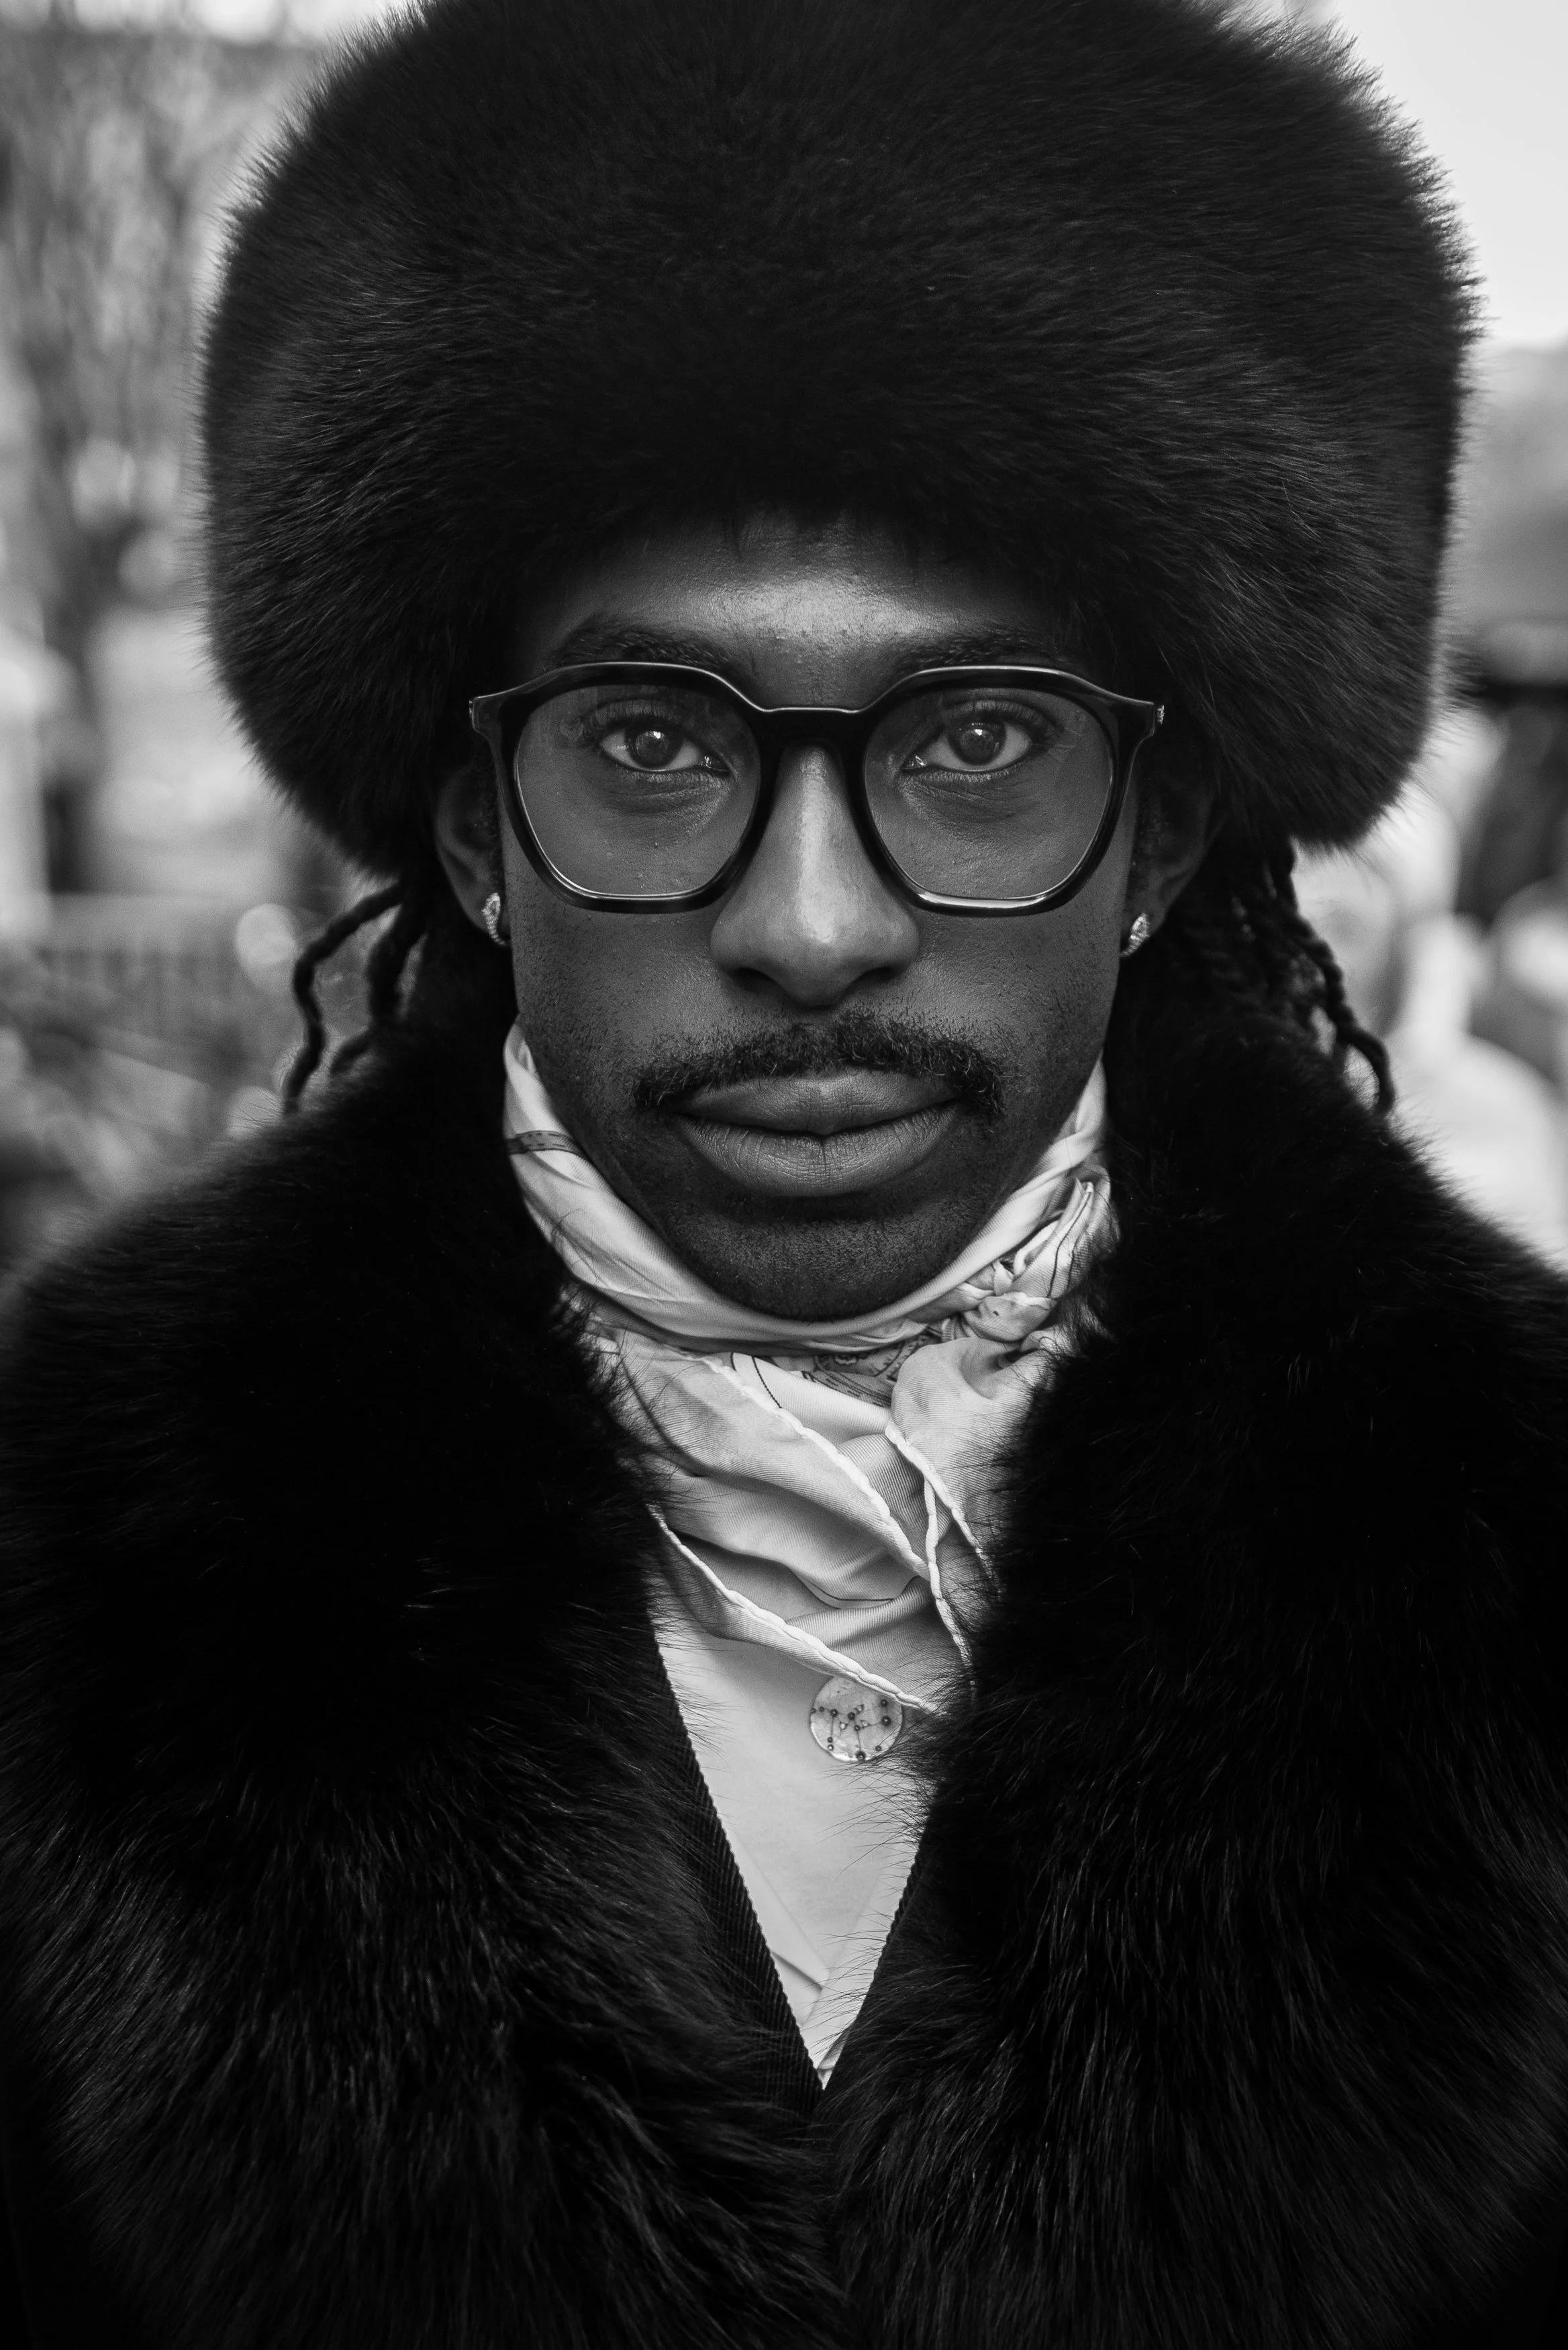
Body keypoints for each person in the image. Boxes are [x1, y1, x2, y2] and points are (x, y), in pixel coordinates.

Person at [2, 1, 1565, 2343]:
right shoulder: (67, 1532)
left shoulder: (1514, 1519)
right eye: (651, 740)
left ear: (1157, 835)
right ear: (477, 829)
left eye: (979, 737)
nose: (813, 926)